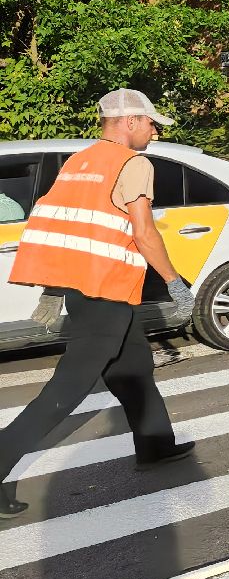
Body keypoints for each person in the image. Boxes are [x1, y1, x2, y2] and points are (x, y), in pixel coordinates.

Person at [0, 89, 197, 518]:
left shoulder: (81, 161)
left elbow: (62, 224)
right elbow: (143, 232)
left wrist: (54, 289)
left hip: (91, 290)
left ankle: (156, 446)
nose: (155, 130)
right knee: (68, 388)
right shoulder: (134, 164)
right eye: (150, 122)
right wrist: (175, 283)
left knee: (133, 369)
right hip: (106, 290)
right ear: (129, 122)